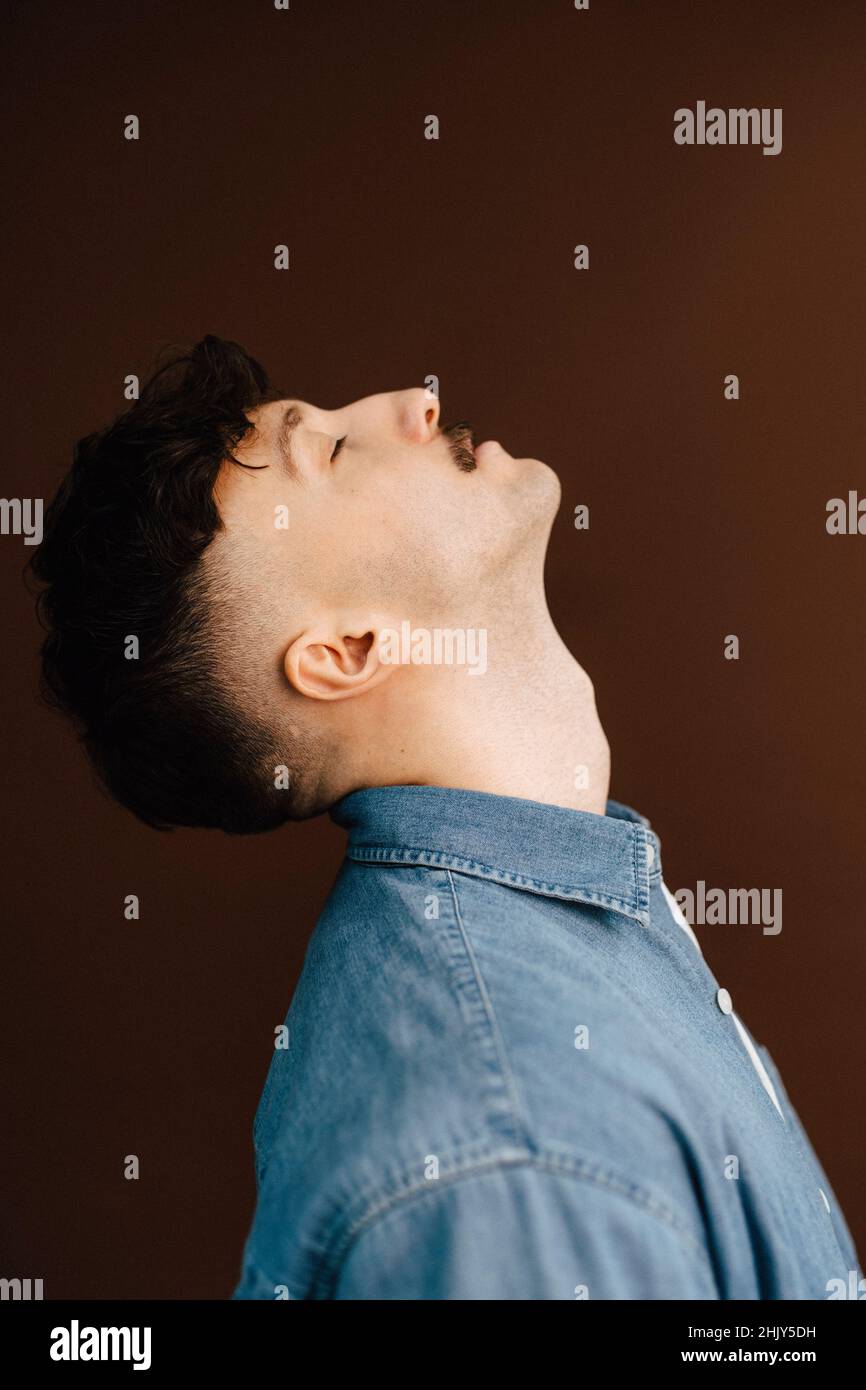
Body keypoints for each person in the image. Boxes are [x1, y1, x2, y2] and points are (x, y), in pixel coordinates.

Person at [32, 335, 860, 1299]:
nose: (412, 402)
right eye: (334, 449)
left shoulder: (564, 919)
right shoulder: (517, 1167)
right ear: (348, 650)